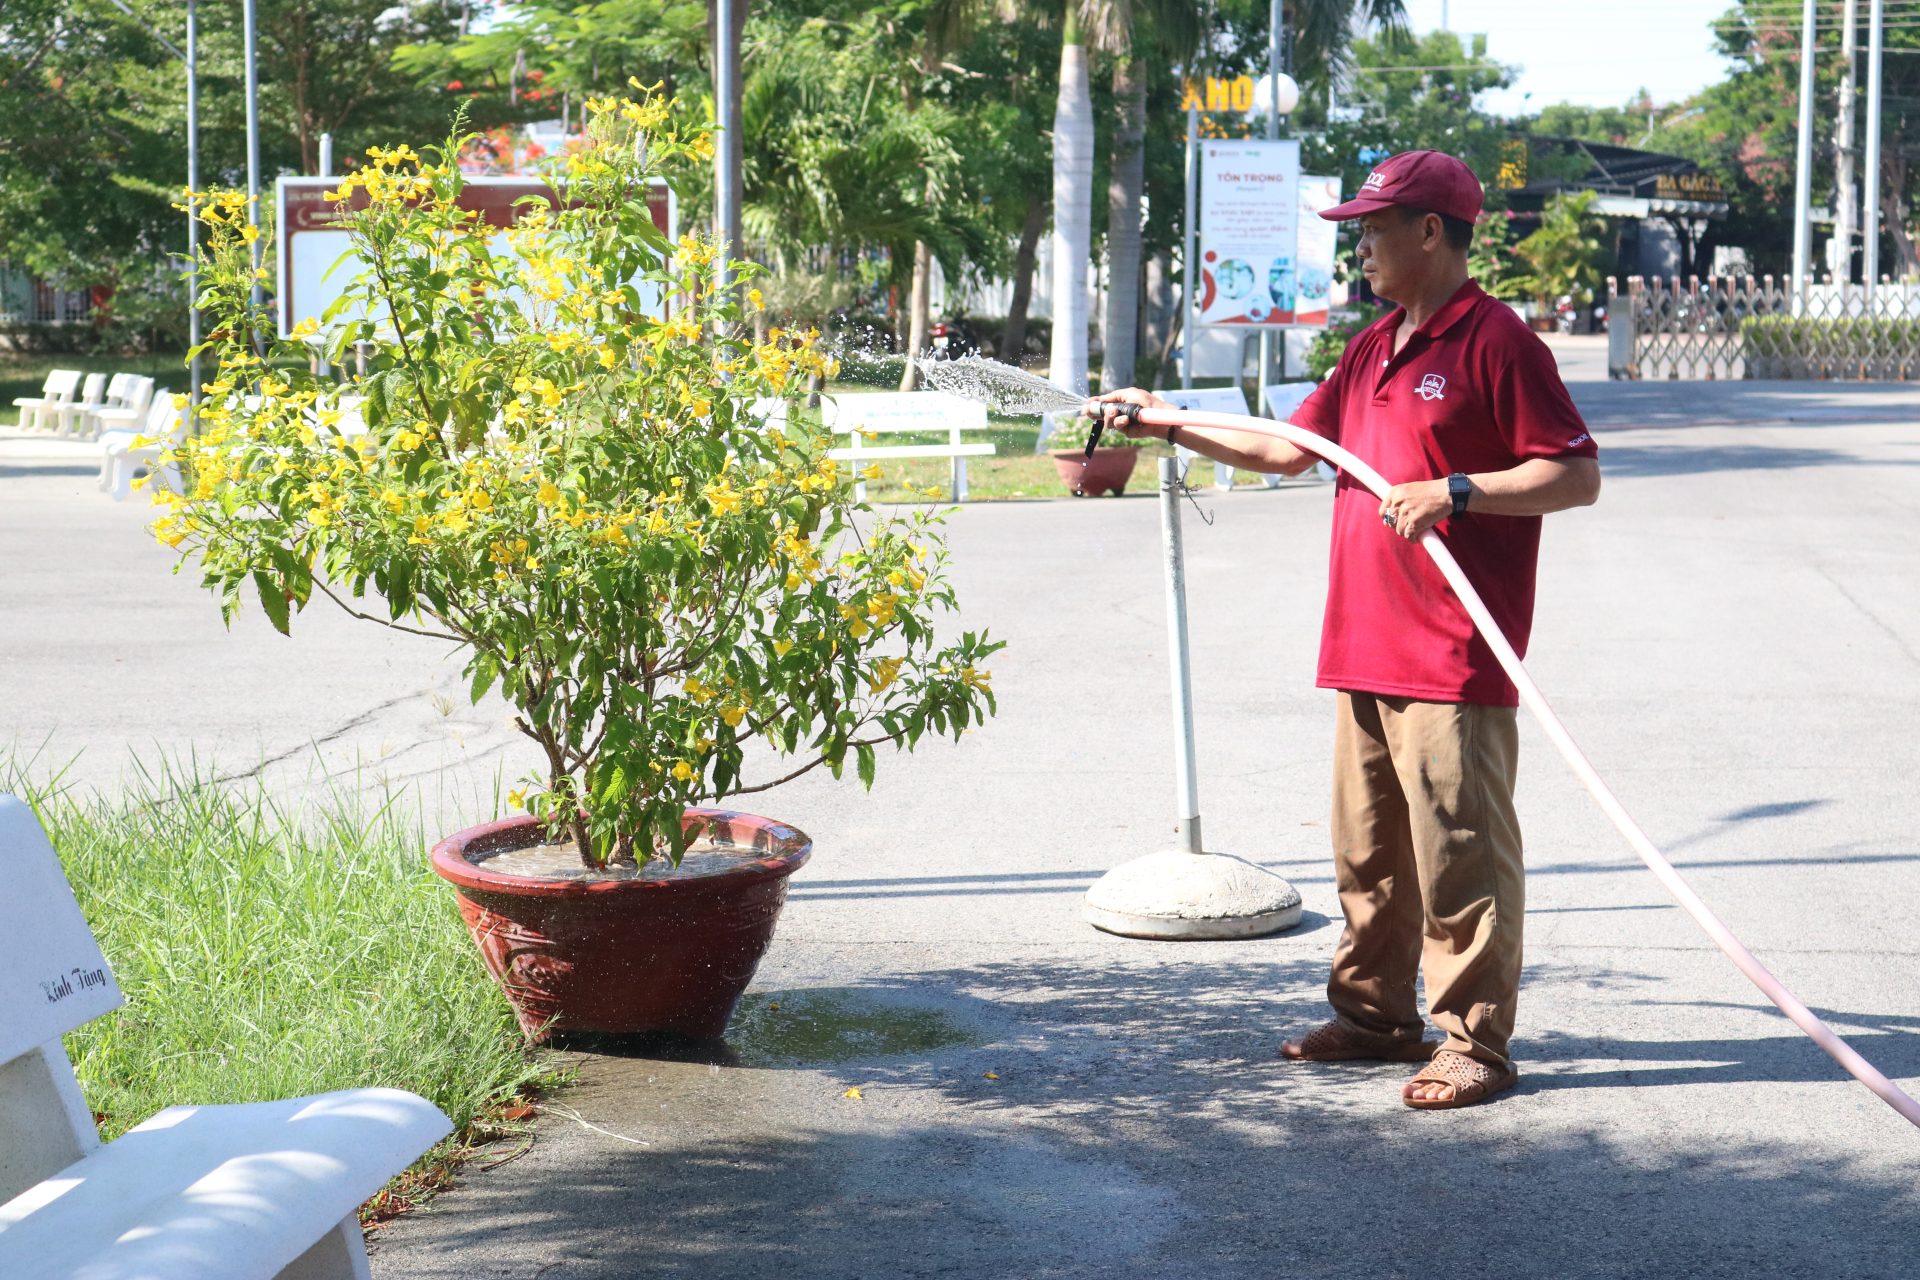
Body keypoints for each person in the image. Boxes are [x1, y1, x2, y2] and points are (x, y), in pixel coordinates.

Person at [1091, 150, 1602, 1110]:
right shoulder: (1371, 348)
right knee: (1368, 851)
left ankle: (1474, 1043)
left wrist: (1459, 491)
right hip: (1364, 643)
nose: (1358, 246)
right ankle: (1375, 1018)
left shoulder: (1497, 343)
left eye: (1372, 228)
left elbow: (1574, 474)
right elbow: (1290, 447)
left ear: (1431, 232)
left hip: (1453, 652)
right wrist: (1164, 423)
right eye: (1355, 229)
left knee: (1460, 848)